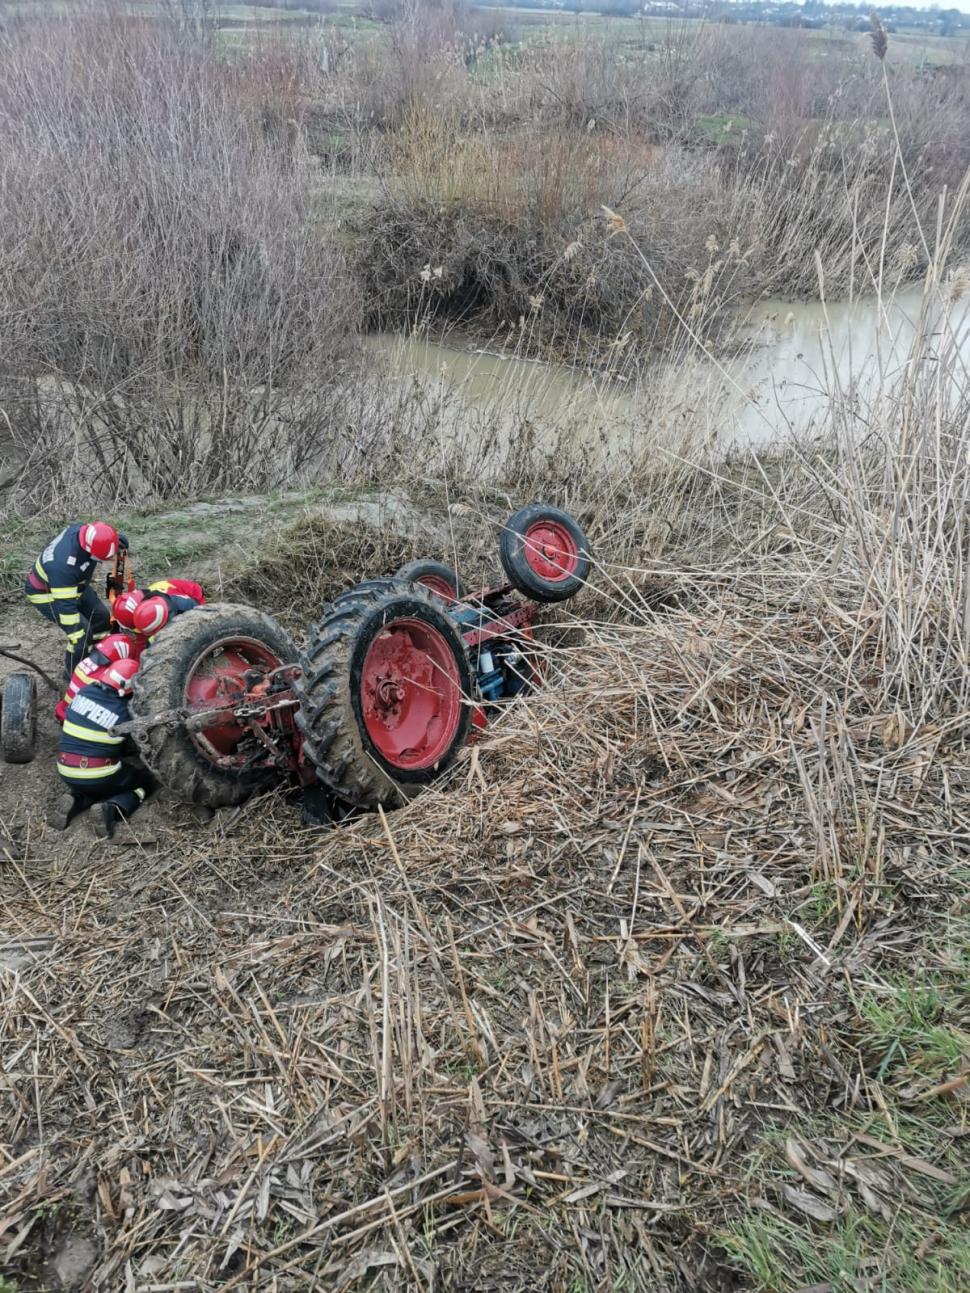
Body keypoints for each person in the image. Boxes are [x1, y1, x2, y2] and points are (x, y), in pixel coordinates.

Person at [50, 658, 152, 840]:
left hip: (65, 768)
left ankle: (76, 800)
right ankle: (111, 809)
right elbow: (134, 745)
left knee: (93, 785)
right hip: (99, 773)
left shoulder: (84, 692)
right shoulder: (125, 711)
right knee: (144, 782)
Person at [25, 522, 128, 676]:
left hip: (75, 582)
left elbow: (103, 538)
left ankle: (97, 655)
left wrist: (115, 541)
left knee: (102, 618)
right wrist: (78, 636)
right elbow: (67, 609)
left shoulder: (86, 532)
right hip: (47, 593)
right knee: (80, 634)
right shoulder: (62, 567)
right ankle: (74, 675)